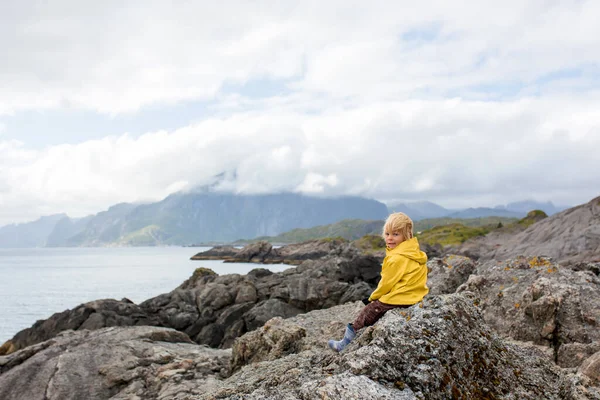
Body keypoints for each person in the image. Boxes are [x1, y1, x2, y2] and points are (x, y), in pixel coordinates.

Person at [328, 212, 429, 352]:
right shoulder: (415, 253)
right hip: (415, 296)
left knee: (368, 311)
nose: (390, 238)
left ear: (407, 235)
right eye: (387, 234)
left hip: (401, 298)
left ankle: (345, 343)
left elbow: (386, 284)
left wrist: (372, 298)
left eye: (396, 234)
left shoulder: (396, 258)